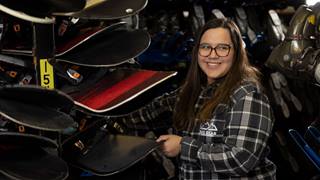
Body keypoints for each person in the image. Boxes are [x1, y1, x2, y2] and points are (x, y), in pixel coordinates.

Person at [113, 18, 276, 179]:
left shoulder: (247, 96)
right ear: (197, 51)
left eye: (223, 48)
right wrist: (108, 118)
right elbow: (151, 112)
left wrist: (183, 147)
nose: (212, 55)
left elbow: (240, 159)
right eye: (206, 47)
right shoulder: (192, 92)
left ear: (236, 53)